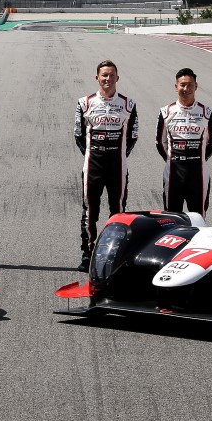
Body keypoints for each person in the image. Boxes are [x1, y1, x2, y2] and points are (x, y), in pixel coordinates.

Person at [73, 59, 139, 272]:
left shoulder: (128, 104)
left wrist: (119, 154)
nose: (108, 79)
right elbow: (78, 134)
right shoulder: (85, 102)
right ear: (97, 78)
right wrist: (93, 153)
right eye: (104, 75)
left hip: (117, 165)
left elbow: (133, 135)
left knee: (118, 212)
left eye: (111, 75)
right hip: (93, 164)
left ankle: (116, 255)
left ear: (117, 78)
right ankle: (88, 253)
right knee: (89, 211)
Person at [154, 67, 212, 218]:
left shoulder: (206, 112)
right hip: (173, 172)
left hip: (198, 174)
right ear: (176, 86)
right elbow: (160, 142)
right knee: (171, 218)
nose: (186, 89)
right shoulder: (166, 111)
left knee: (198, 218)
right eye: (182, 85)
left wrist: (199, 158)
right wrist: (171, 159)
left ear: (196, 86)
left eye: (190, 85)